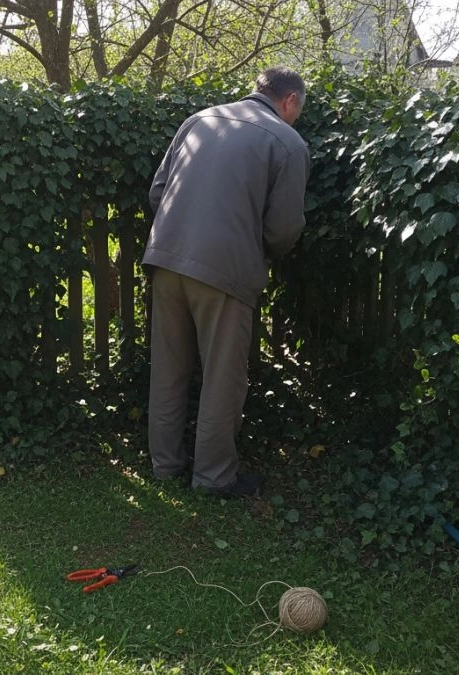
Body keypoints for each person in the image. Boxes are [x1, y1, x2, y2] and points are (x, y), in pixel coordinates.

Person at [144, 65, 310, 498]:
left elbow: (158, 193)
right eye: (298, 110)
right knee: (222, 378)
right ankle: (213, 478)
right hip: (226, 272)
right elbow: (284, 230)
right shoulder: (288, 142)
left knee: (168, 370)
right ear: (290, 100)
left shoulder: (197, 121)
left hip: (166, 259)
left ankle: (165, 466)